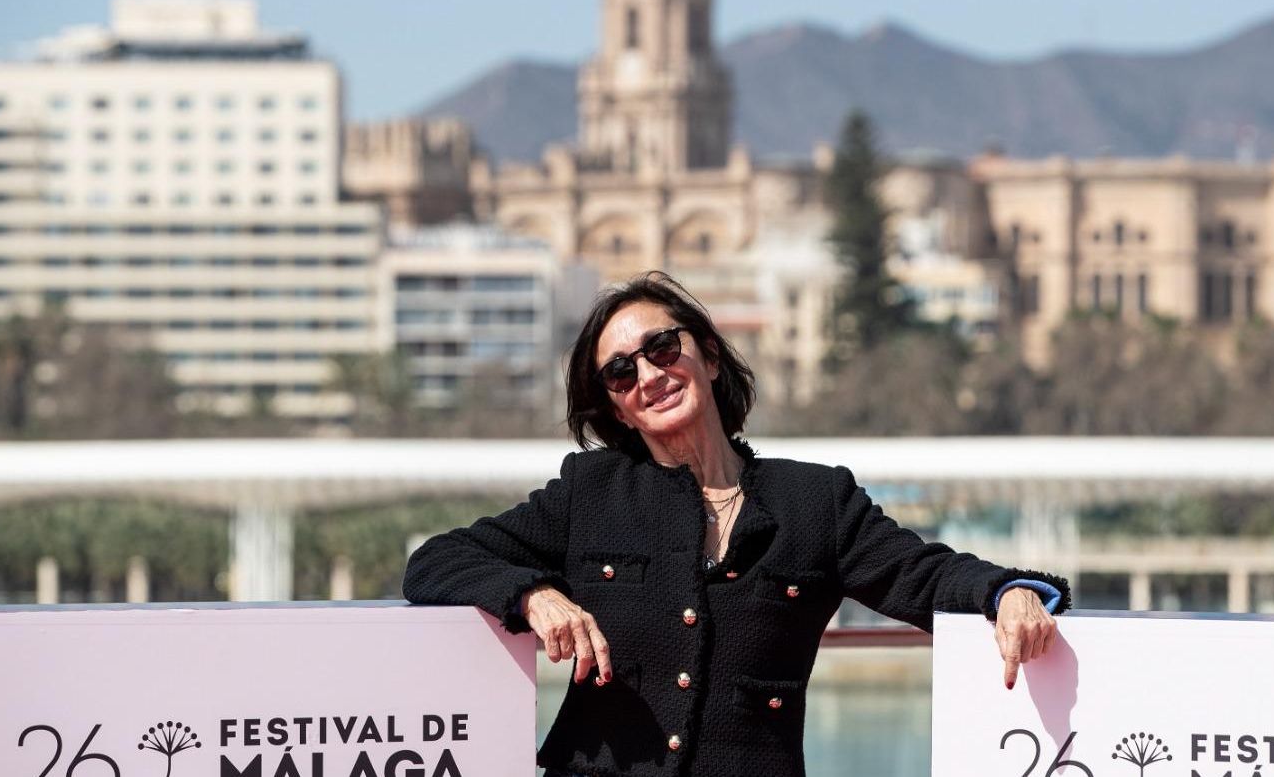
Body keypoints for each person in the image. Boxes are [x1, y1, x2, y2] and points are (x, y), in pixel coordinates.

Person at [403, 272, 1069, 777]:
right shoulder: (590, 493)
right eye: (620, 371)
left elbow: (926, 577)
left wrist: (1010, 593)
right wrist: (532, 594)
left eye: (663, 347)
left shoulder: (817, 501)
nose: (648, 374)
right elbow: (436, 561)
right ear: (619, 411)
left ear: (710, 357)